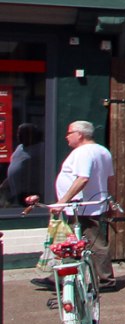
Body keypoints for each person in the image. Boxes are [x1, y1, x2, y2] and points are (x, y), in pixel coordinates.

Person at [28, 120, 115, 286]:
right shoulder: (103, 151)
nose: (67, 137)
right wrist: (111, 200)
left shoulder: (83, 152)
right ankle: (61, 278)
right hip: (87, 205)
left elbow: (83, 178)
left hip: (81, 207)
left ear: (79, 134)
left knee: (94, 244)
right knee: (71, 243)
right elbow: (111, 179)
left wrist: (62, 201)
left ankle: (105, 280)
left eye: (69, 133)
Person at [5, 123, 43, 206]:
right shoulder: (19, 147)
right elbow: (14, 166)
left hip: (30, 191)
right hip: (15, 191)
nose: (19, 136)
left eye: (22, 133)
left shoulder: (41, 148)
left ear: (31, 134)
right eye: (18, 133)